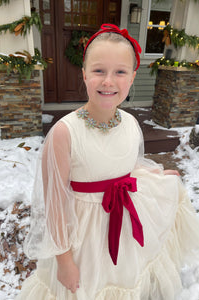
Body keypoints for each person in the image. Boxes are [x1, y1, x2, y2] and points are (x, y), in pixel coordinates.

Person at [16, 24, 199, 300]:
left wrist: (158, 177)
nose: (108, 82)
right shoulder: (65, 134)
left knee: (125, 283)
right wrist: (65, 262)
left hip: (125, 229)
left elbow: (128, 165)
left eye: (120, 72)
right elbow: (54, 204)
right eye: (99, 71)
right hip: (84, 241)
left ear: (133, 77)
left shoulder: (129, 123)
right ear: (84, 74)